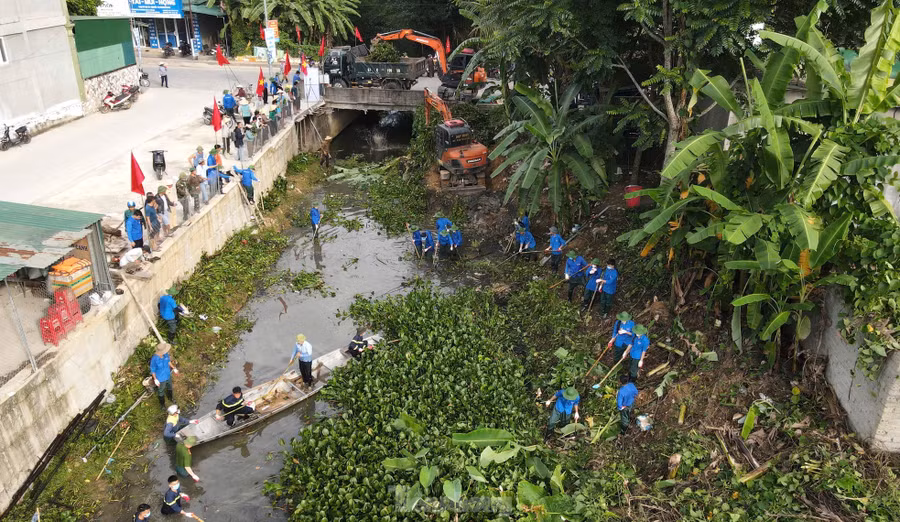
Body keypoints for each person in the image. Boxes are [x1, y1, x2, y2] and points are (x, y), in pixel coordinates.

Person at [149, 342, 178, 407]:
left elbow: (168, 362)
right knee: (161, 391)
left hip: (167, 375)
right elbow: (152, 369)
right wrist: (155, 379)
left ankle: (170, 398)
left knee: (170, 387)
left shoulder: (166, 354)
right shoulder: (154, 359)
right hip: (160, 378)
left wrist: (174, 368)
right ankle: (162, 404)